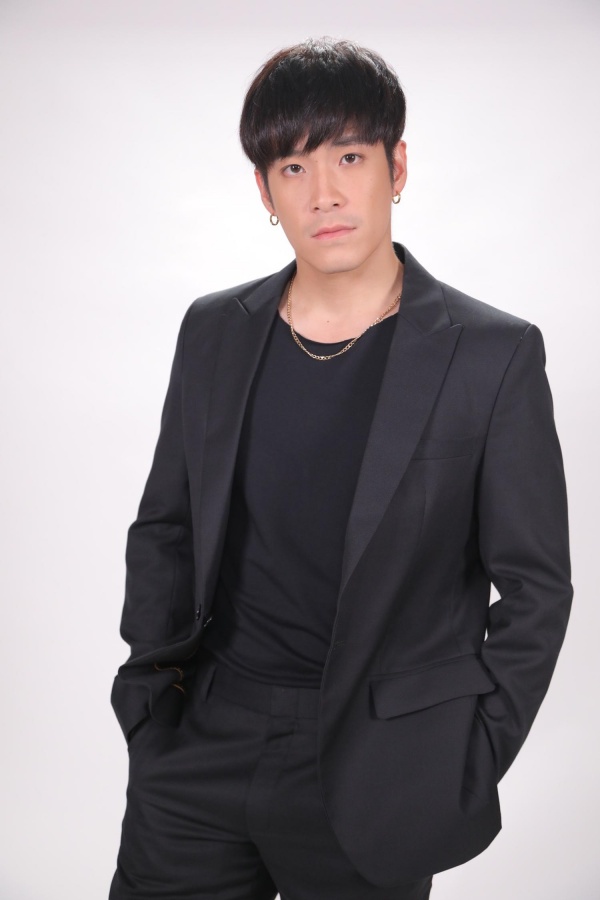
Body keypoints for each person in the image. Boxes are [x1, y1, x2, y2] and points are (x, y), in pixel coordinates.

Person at [108, 37, 573, 900]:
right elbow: (166, 525)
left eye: (350, 157)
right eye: (292, 167)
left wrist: (463, 755)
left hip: (377, 766)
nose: (323, 193)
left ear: (397, 167)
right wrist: (151, 705)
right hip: (202, 744)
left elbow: (537, 588)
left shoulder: (492, 356)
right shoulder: (214, 331)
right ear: (264, 192)